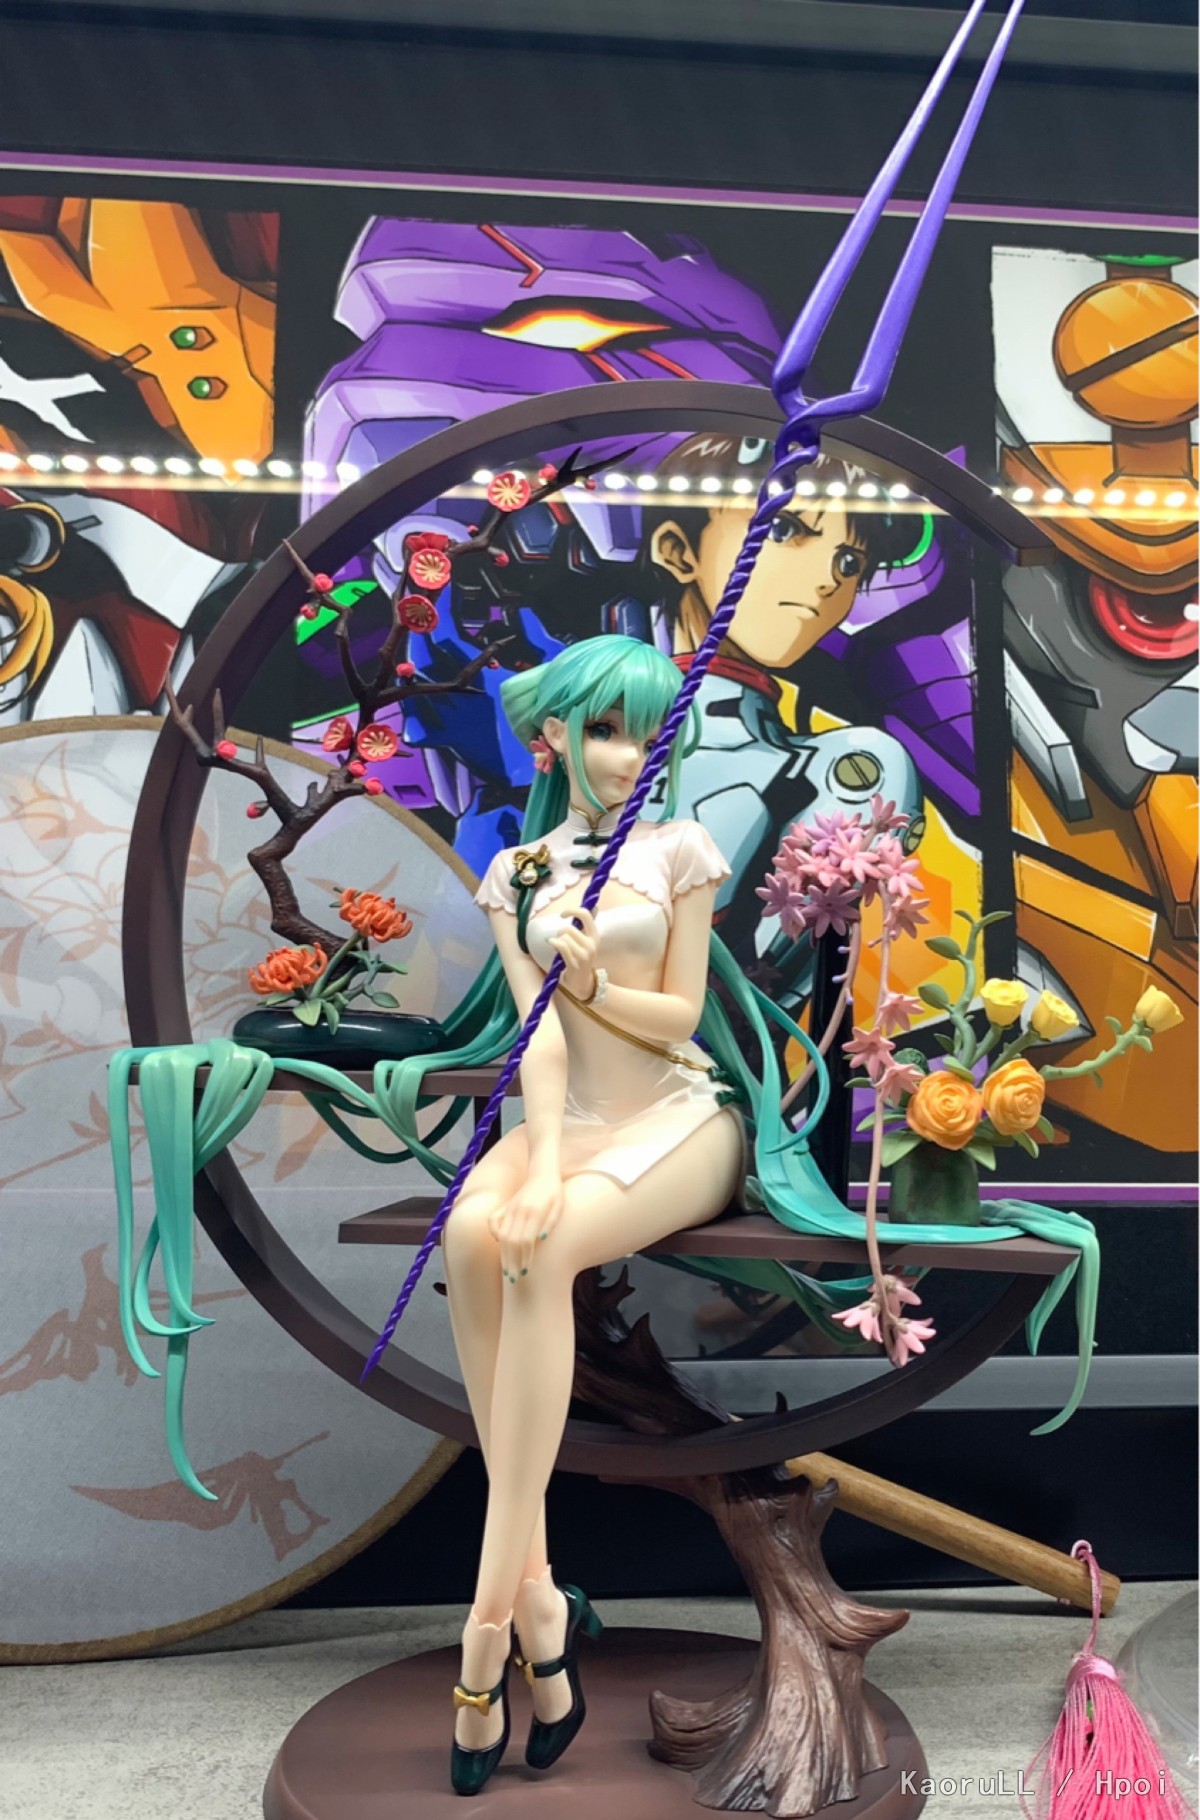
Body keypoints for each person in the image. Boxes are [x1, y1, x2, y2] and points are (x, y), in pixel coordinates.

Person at [384, 633, 870, 1794]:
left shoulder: (678, 851)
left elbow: (683, 1014)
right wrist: (544, 1157)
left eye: (650, 733)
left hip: (679, 1119)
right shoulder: (518, 874)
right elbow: (538, 1039)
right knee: (475, 1230)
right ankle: (541, 1610)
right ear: (553, 736)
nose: (628, 755)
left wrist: (596, 979)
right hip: (571, 1119)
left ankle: (486, 1636)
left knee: (538, 1243)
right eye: (605, 730)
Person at [642, 433, 925, 1005]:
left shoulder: (843, 767)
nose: (828, 580)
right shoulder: (605, 720)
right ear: (677, 550)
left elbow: (762, 982)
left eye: (849, 562)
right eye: (785, 530)